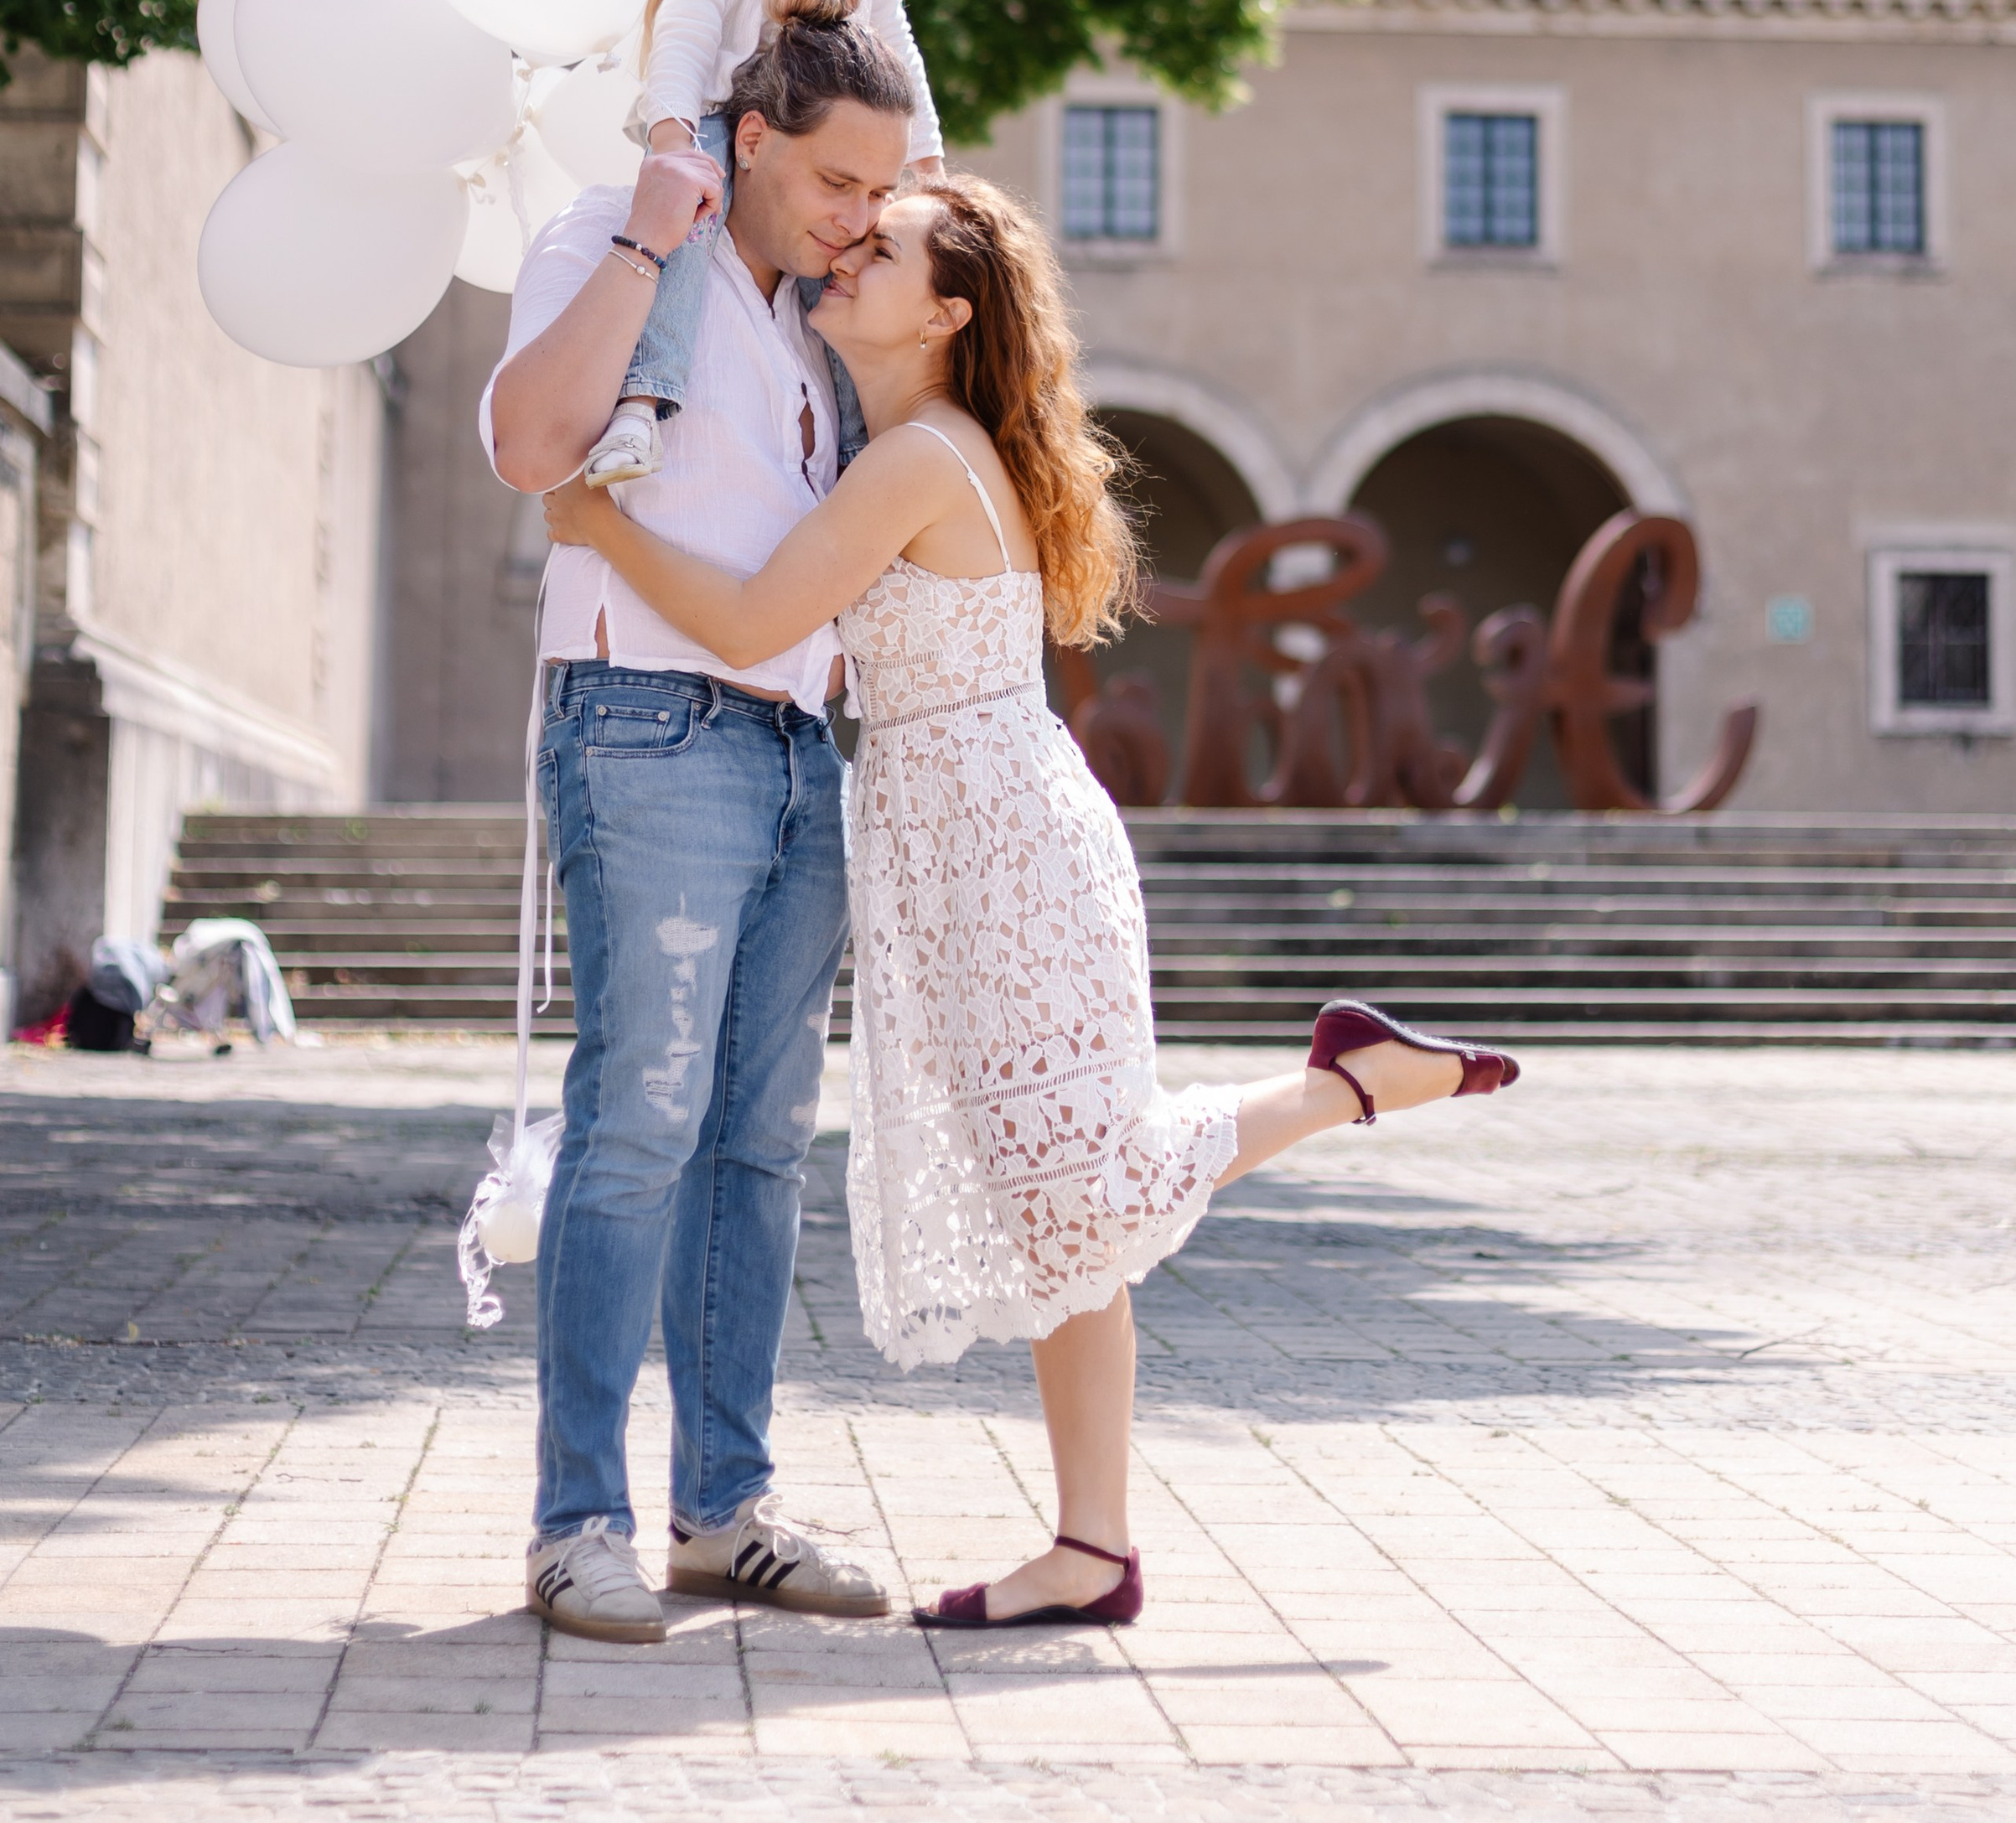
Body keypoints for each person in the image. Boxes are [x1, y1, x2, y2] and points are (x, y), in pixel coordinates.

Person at [544, 173, 1521, 1631]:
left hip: (1004, 858)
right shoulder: (912, 443)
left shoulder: (921, 459)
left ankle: (1345, 1086)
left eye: (883, 250)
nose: (848, 250)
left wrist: (592, 524)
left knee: (1084, 1188)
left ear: (944, 313)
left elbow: (755, 620)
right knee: (1063, 1212)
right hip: (988, 847)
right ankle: (1093, 1549)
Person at [487, 0, 916, 1646]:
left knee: (754, 1147)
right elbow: (534, 447)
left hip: (804, 744)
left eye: (878, 190)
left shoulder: (814, 325)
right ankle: (574, 1523)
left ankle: (721, 1509)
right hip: (649, 728)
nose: (857, 218)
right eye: (833, 185)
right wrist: (644, 245)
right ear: (748, 139)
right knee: (641, 1122)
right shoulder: (615, 235)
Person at [583, 0, 945, 489]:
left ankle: (858, 445)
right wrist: (674, 136)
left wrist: (926, 153)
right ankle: (644, 401)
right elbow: (685, 32)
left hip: (830, 140)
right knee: (684, 239)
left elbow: (897, 47)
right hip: (726, 119)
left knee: (852, 271)